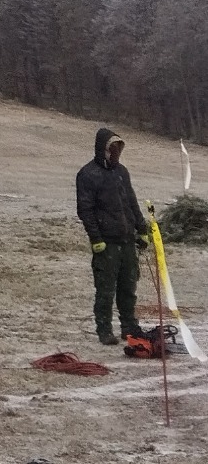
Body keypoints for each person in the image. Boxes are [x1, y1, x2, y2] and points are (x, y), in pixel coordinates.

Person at [75, 126, 149, 346]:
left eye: (118, 149)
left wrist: (142, 229)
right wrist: (95, 238)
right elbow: (85, 209)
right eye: (111, 149)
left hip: (127, 240)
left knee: (128, 288)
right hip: (106, 243)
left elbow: (131, 202)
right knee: (106, 289)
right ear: (102, 149)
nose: (115, 153)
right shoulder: (88, 174)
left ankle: (129, 327)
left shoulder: (122, 172)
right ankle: (104, 329)